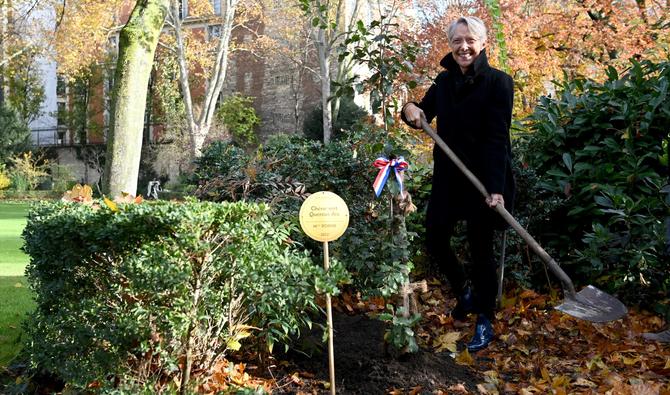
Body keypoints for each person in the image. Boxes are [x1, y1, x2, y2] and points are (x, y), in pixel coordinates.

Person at [401, 16, 515, 352]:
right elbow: (422, 113)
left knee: (481, 251)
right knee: (435, 236)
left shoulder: (499, 83)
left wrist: (495, 188)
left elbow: (497, 139)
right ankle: (463, 289)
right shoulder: (444, 80)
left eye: (470, 40)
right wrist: (409, 108)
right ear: (450, 45)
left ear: (482, 44)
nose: (463, 47)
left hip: (482, 181)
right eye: (457, 41)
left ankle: (485, 318)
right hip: (449, 178)